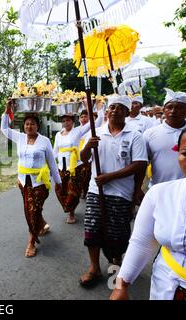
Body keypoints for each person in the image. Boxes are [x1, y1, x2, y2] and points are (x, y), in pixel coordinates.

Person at [110, 128, 186, 300]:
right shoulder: (159, 194)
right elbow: (141, 242)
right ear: (177, 154)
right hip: (164, 288)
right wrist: (120, 286)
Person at [79, 95, 148, 287]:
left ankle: (115, 266)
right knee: (92, 230)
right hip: (96, 191)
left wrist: (110, 177)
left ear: (127, 112)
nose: (115, 110)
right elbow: (84, 159)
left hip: (121, 194)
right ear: (107, 112)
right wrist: (88, 147)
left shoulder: (135, 135)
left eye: (120, 108)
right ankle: (94, 268)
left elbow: (139, 164)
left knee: (117, 235)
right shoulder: (96, 132)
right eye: (112, 107)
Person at [0, 99, 61, 258]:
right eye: (27, 124)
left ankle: (31, 241)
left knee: (32, 211)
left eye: (32, 124)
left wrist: (59, 182)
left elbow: (51, 163)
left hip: (40, 183)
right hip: (23, 182)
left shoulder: (45, 141)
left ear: (37, 126)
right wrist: (7, 110)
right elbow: (4, 128)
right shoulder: (20, 137)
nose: (29, 126)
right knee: (31, 209)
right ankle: (42, 224)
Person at [53, 102, 104, 224]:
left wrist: (88, 106)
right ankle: (68, 208)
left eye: (68, 120)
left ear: (73, 121)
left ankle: (71, 213)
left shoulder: (78, 131)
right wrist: (50, 166)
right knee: (60, 190)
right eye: (64, 120)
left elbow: (95, 122)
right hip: (61, 167)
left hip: (75, 166)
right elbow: (54, 152)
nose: (66, 122)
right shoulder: (58, 135)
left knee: (73, 192)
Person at [143, 89, 186, 186]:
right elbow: (143, 164)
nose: (173, 111)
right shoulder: (150, 134)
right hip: (160, 189)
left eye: (179, 108)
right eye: (169, 107)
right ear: (163, 110)